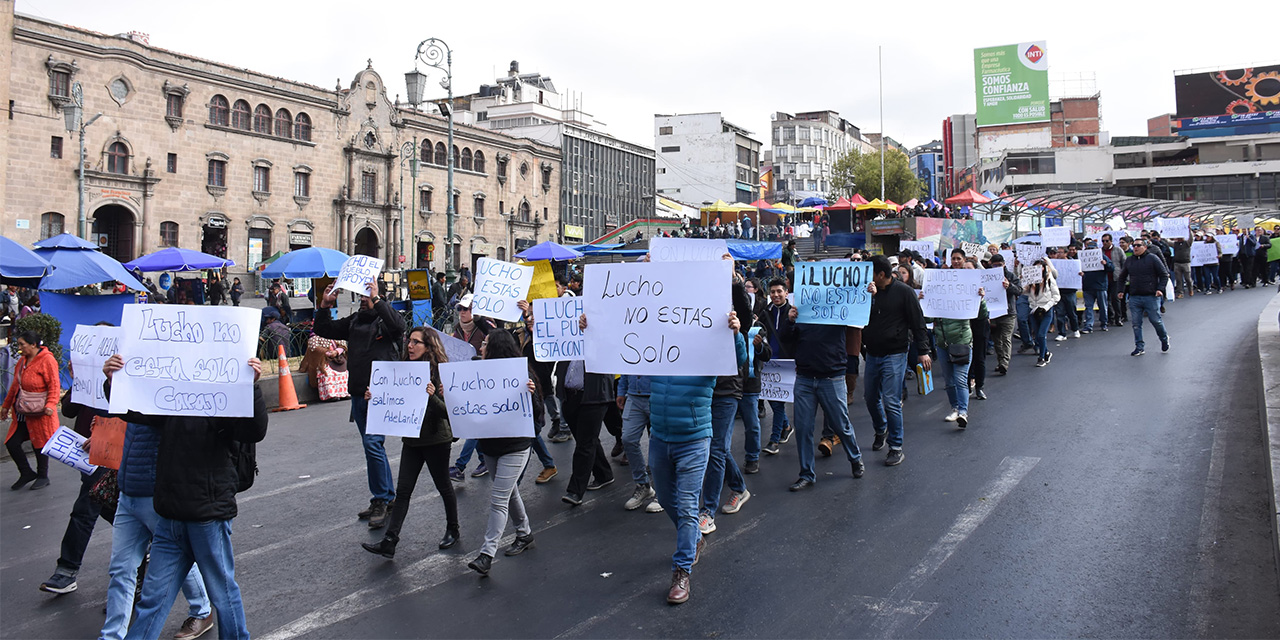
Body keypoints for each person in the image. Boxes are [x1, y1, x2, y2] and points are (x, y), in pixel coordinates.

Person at [581, 309, 744, 604]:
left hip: (694, 439)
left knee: (685, 505)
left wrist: (735, 334)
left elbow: (737, 360)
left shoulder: (707, 350)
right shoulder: (656, 348)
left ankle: (681, 570)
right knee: (668, 501)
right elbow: (618, 347)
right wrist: (592, 326)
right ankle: (693, 538)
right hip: (659, 439)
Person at [102, 353, 266, 640]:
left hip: (207, 515)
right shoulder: (172, 397)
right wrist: (112, 381)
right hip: (170, 514)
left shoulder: (226, 397)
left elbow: (254, 430)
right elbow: (133, 408)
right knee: (154, 598)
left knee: (222, 592)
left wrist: (250, 386)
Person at [100, 417, 213, 640]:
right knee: (121, 568)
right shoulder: (130, 391)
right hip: (128, 492)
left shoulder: (159, 393)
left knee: (175, 559)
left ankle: (202, 610)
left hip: (155, 493)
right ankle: (112, 636)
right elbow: (120, 413)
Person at [314, 279, 406, 529]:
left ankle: (381, 498)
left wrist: (377, 299)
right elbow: (324, 329)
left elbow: (399, 326)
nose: (363, 299)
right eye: (362, 295)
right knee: (371, 447)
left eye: (367, 295)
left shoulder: (385, 321)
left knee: (373, 443)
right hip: (357, 392)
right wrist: (324, 305)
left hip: (379, 394)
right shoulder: (355, 320)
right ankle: (387, 497)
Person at [362, 327, 460, 559]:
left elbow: (450, 413)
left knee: (443, 486)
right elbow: (391, 402)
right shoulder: (402, 371)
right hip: (413, 440)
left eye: (417, 342)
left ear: (429, 347)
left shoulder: (441, 373)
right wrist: (374, 398)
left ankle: (453, 529)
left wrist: (432, 396)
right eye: (410, 341)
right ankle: (390, 540)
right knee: (403, 491)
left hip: (437, 439)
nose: (410, 346)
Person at [466, 330, 542, 576]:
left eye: (485, 344)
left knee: (499, 498)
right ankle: (525, 533)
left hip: (515, 447)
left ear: (495, 347)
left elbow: (538, 415)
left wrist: (530, 396)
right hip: (491, 446)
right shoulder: (478, 374)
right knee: (510, 493)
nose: (481, 347)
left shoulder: (523, 375)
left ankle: (487, 554)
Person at [782, 296, 867, 491]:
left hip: (832, 377)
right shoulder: (801, 312)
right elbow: (787, 338)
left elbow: (860, 313)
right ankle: (806, 474)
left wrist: (869, 293)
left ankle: (855, 458)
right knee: (803, 428)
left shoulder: (838, 310)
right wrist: (790, 320)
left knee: (841, 424)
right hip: (804, 377)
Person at [861, 255, 931, 465]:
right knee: (870, 397)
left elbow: (918, 322)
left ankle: (895, 446)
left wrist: (923, 350)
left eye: (872, 273)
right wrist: (869, 298)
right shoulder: (867, 292)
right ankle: (881, 428)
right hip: (872, 353)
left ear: (881, 275)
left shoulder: (904, 292)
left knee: (891, 400)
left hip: (895, 353)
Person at [2, 331, 59, 491]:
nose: (19, 348)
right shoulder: (22, 361)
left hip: (40, 411)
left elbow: (54, 385)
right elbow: (15, 385)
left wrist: (50, 405)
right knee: (12, 443)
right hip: (22, 411)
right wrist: (6, 405)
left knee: (40, 443)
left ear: (33, 344)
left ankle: (43, 476)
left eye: (22, 344)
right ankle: (26, 472)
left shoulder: (47, 360)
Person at [449, 294, 495, 481]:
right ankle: (484, 459)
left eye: (466, 309)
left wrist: (480, 319)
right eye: (460, 309)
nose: (462, 312)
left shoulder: (485, 327)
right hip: (466, 382)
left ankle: (460, 466)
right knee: (474, 425)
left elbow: (497, 335)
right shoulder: (456, 330)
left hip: (485, 382)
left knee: (474, 427)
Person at [1117, 238, 1171, 357]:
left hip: (1151, 296)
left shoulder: (1152, 258)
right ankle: (1139, 346)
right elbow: (1122, 277)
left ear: (1144, 247)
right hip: (1135, 296)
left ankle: (1164, 338)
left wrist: (1160, 289)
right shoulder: (1130, 260)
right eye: (1134, 245)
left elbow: (1164, 274)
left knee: (1155, 320)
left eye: (1138, 245)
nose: (1135, 247)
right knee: (1136, 323)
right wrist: (1121, 290)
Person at [760, 278, 794, 456]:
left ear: (786, 293)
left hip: (786, 363)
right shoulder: (766, 311)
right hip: (768, 362)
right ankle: (786, 426)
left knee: (778, 402)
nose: (776, 295)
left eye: (779, 291)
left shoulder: (793, 312)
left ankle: (774, 440)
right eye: (772, 292)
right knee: (774, 399)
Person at [986, 253, 1020, 375]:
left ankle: (1004, 363)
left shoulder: (1010, 276)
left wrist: (1009, 286)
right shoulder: (988, 276)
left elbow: (1019, 291)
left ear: (1004, 264)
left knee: (1006, 338)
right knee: (996, 340)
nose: (997, 267)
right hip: (994, 314)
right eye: (995, 265)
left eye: (999, 265)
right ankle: (1001, 361)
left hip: (1008, 313)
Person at [1025, 259, 1060, 368]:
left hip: (1046, 310)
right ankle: (1046, 352)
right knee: (1037, 336)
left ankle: (1041, 357)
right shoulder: (1030, 281)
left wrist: (1046, 307)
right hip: (1033, 311)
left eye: (1040, 267)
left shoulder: (1049, 279)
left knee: (1041, 334)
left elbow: (1056, 296)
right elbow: (1023, 291)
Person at [300, 334, 349, 402]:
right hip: (323, 361)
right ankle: (331, 394)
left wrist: (336, 351)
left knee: (345, 372)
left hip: (337, 359)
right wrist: (327, 353)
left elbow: (343, 346)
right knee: (327, 373)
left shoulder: (337, 335)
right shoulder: (315, 337)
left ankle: (344, 393)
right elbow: (314, 348)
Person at [1081, 241, 1111, 334]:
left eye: (1092, 249)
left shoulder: (1102, 257)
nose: (1090, 251)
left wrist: (1106, 264)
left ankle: (1104, 323)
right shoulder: (1083, 258)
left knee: (1102, 306)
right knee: (1088, 307)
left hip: (1100, 286)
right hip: (1088, 286)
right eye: (1088, 249)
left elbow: (1111, 268)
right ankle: (1089, 326)